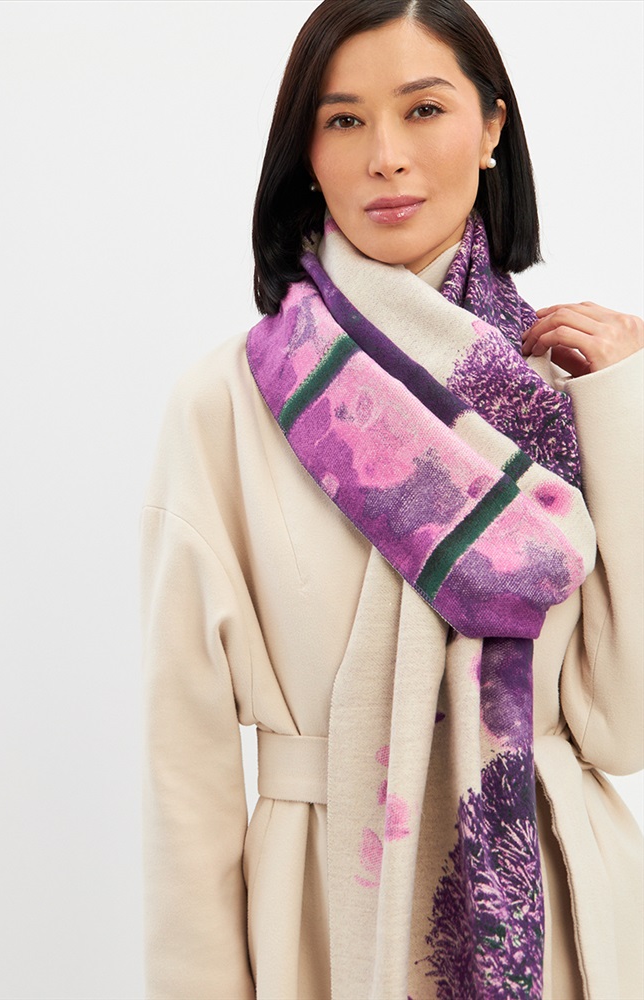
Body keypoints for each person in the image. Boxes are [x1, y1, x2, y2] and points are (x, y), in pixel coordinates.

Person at [140, 0, 644, 996]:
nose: (386, 157)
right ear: (306, 152)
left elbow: (623, 725)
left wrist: (625, 406)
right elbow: (183, 770)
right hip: (327, 927)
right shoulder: (228, 402)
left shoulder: (566, 391)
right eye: (344, 120)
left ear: (491, 128)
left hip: (557, 929)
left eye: (423, 109)